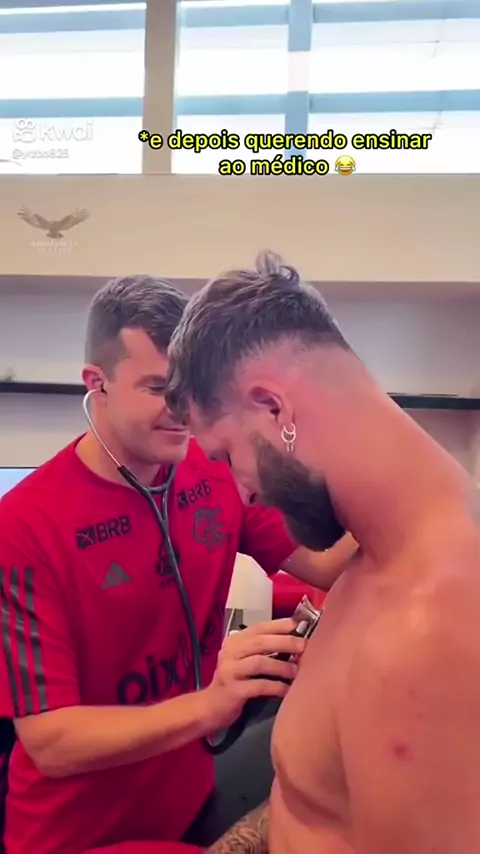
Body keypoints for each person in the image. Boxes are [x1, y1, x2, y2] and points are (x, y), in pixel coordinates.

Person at [0, 275, 357, 854]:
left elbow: (326, 562)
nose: (181, 411)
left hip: (191, 804)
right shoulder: (23, 526)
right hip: (75, 837)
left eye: (187, 388)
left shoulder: (213, 469)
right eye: (157, 388)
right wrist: (212, 705)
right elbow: (52, 741)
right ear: (97, 383)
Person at [165, 253, 480, 854]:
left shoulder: (428, 628)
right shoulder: (376, 553)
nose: (240, 492)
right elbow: (318, 805)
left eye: (227, 456)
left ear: (274, 408)